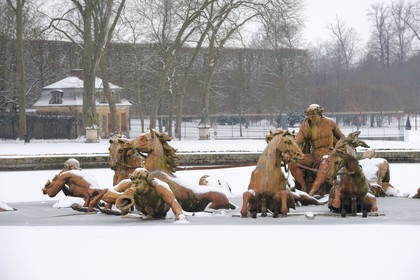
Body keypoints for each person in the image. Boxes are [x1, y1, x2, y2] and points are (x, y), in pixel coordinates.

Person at [290, 104, 345, 196]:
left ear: (319, 113)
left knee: (324, 163)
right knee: (293, 162)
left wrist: (340, 148)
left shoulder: (330, 123)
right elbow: (297, 142)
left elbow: (342, 137)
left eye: (314, 115)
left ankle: (312, 191)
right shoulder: (306, 126)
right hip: (314, 155)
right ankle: (304, 187)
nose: (311, 118)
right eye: (309, 115)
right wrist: (290, 152)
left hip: (329, 153)